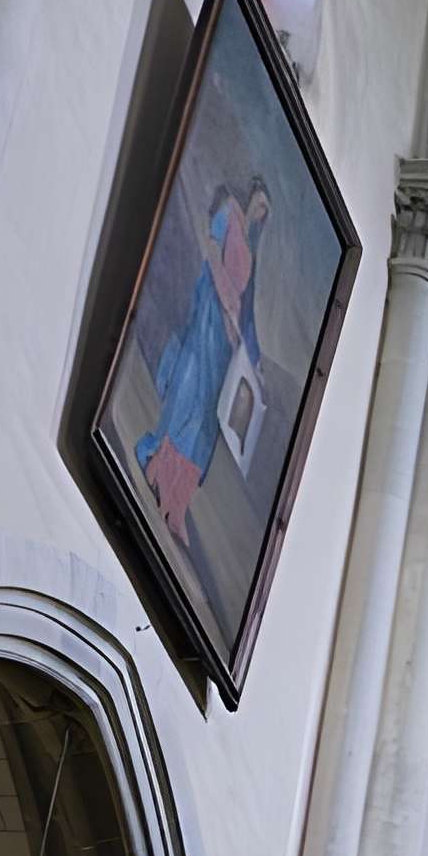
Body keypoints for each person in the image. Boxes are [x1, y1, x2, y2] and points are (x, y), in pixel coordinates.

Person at [136, 177, 275, 570]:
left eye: (264, 212)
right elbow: (212, 260)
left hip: (223, 345)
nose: (260, 214)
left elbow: (246, 310)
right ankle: (160, 471)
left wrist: (255, 359)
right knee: (190, 407)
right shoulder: (231, 216)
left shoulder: (250, 246)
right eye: (261, 205)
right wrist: (228, 311)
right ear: (252, 199)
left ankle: (176, 503)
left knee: (207, 428)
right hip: (208, 330)